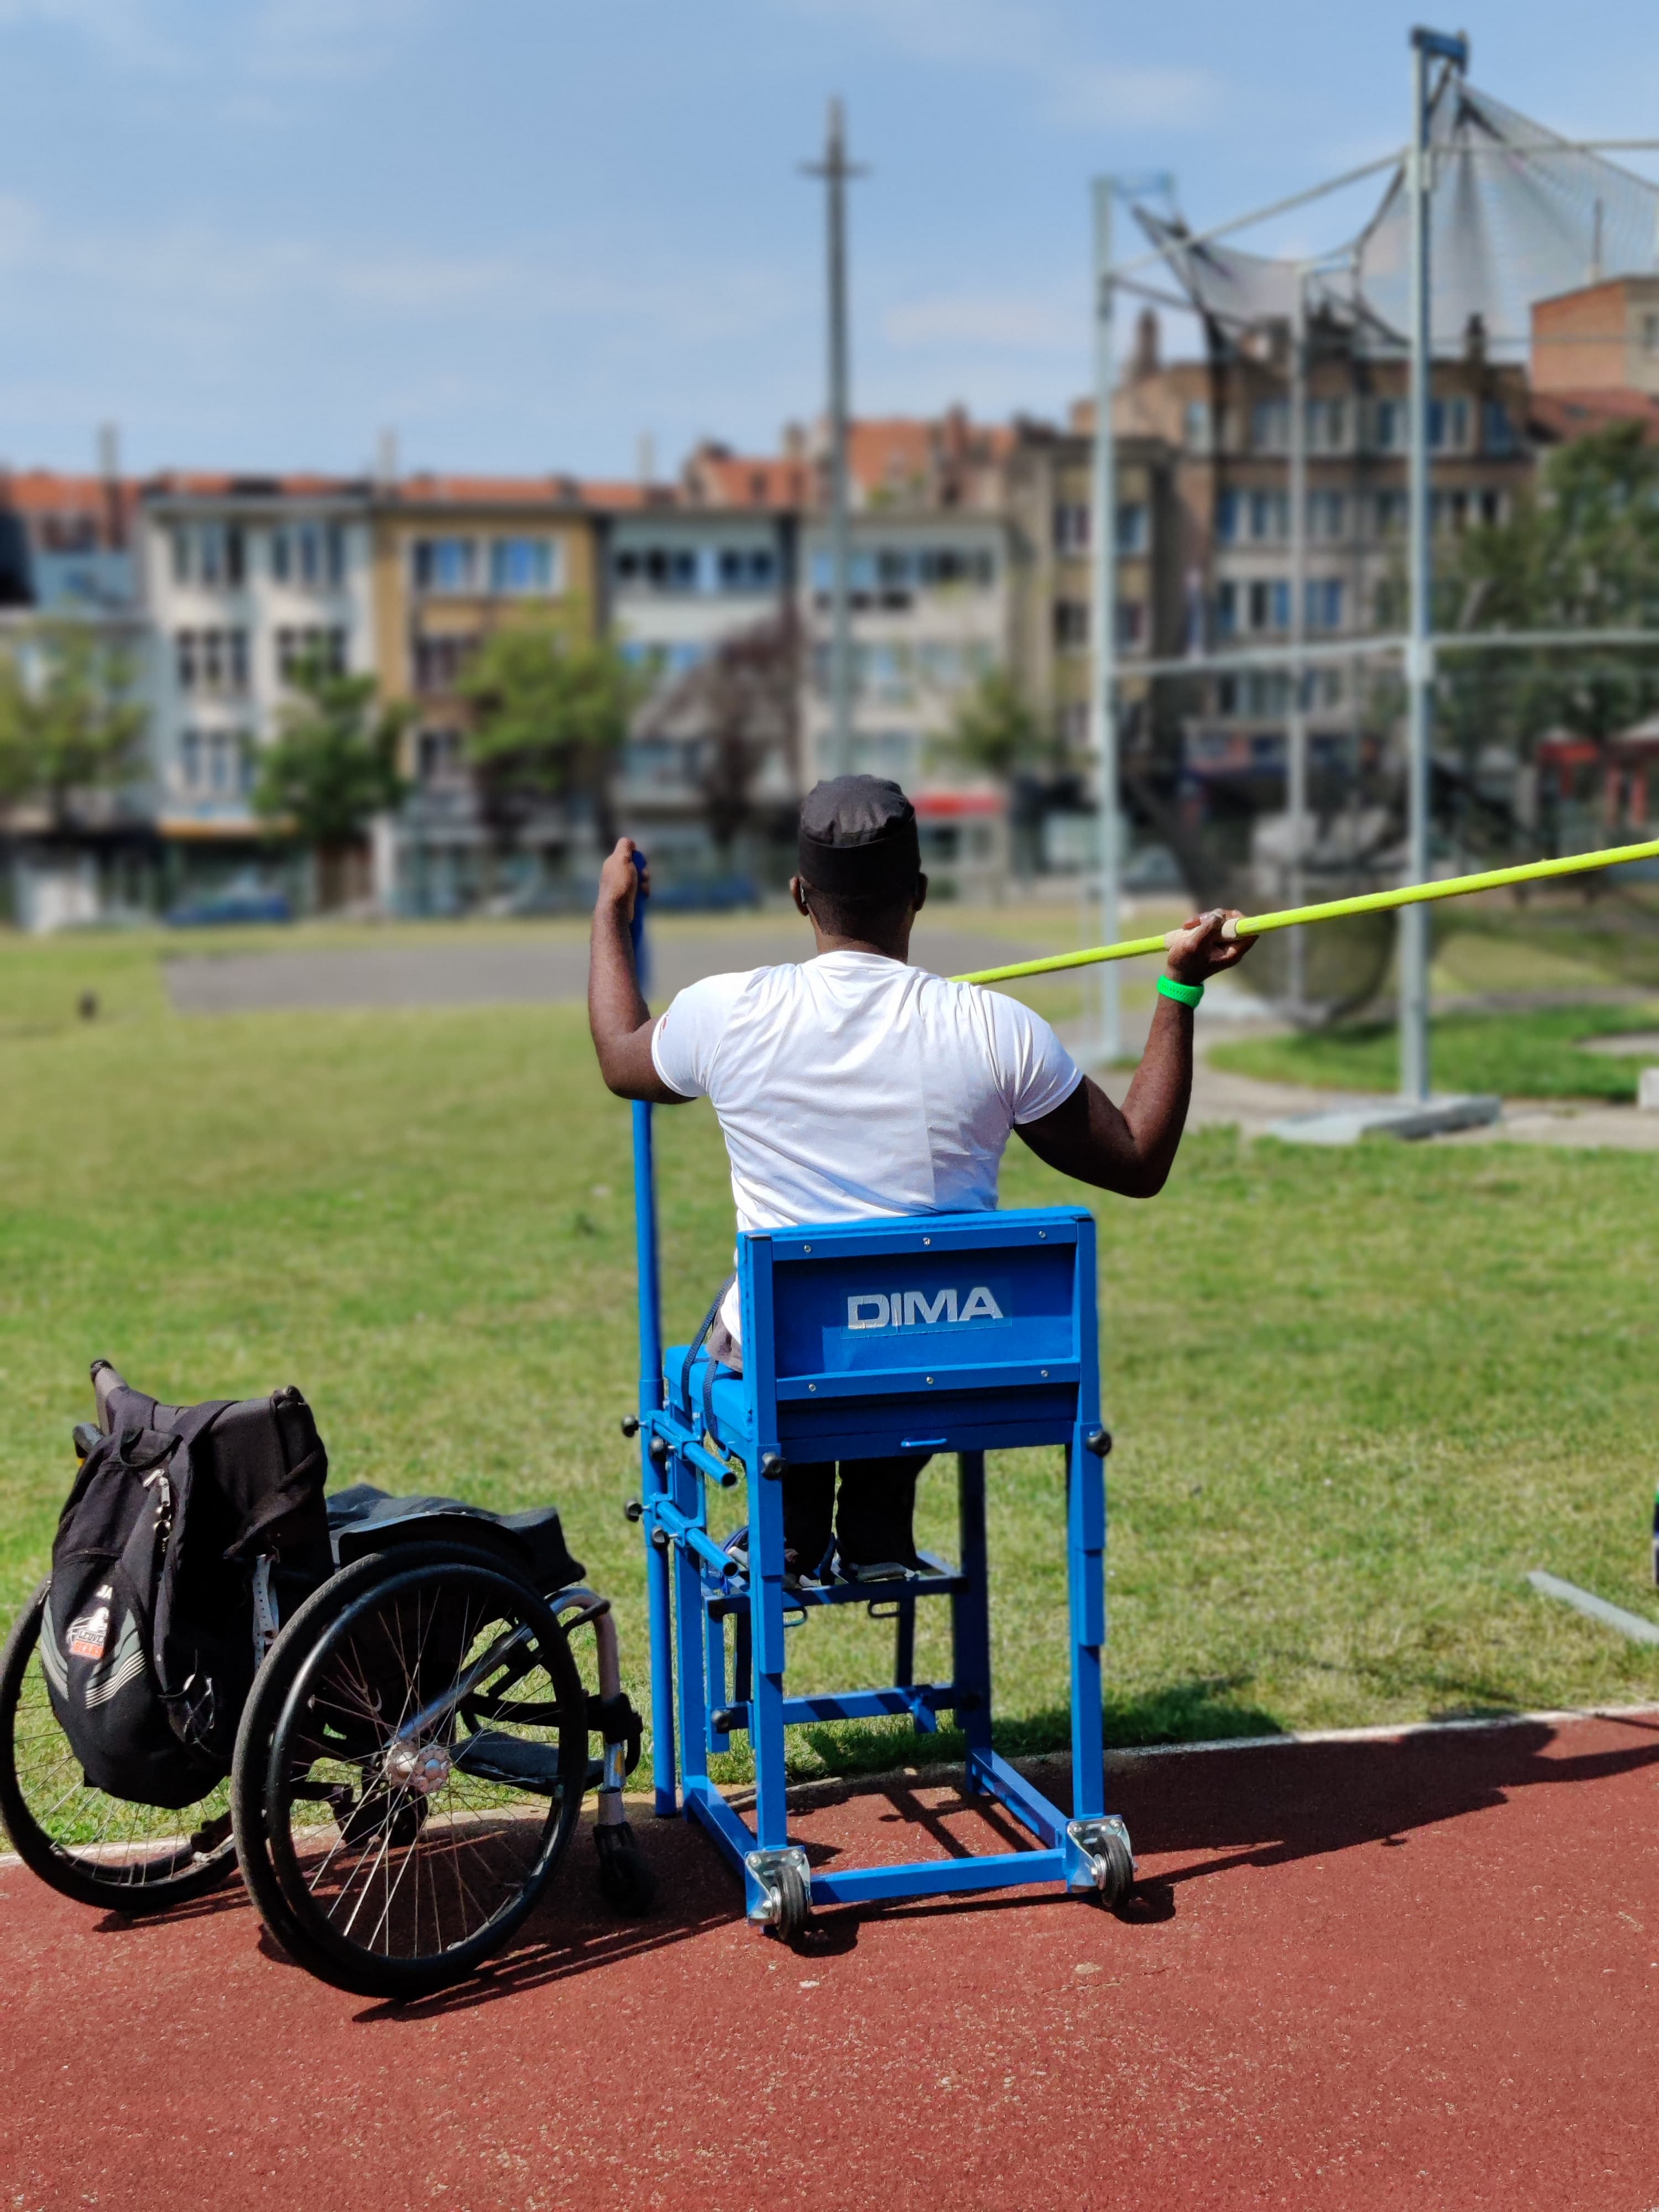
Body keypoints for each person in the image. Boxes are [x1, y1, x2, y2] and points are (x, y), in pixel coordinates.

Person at [588, 774, 1251, 1582]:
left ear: (801, 895)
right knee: (902, 1327)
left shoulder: (728, 1011)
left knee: (768, 1331)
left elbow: (622, 1057)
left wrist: (610, 914)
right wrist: (1180, 987)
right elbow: (1139, 1159)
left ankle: (794, 1532)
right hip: (944, 1362)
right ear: (920, 894)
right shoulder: (997, 1028)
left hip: (790, 1362)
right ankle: (874, 1529)